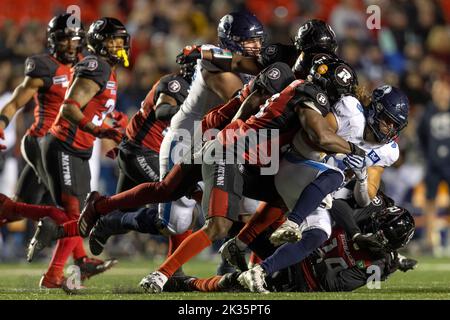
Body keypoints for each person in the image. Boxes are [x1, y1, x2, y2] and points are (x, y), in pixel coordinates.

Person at [236, 84, 410, 293]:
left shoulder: (388, 152)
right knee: (336, 175)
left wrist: (362, 177)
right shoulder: (351, 112)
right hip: (297, 164)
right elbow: (312, 138)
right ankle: (291, 223)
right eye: (388, 121)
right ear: (375, 110)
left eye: (395, 125)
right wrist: (341, 154)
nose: (390, 130)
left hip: (315, 189)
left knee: (318, 234)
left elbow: (365, 199)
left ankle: (259, 272)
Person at [3, 17, 130, 288]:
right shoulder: (48, 66)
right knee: (68, 212)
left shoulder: (93, 65)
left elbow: (93, 105)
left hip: (72, 144)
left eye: (74, 39)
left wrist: (111, 119)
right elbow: (18, 101)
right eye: (65, 39)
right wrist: (1, 124)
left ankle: (72, 255)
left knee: (25, 209)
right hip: (43, 141)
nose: (71, 45)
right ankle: (63, 262)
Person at [163, 202, 416, 293]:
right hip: (297, 247)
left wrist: (312, 253)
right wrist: (356, 233)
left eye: (378, 229)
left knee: (233, 284)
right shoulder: (363, 223)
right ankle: (174, 270)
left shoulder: (376, 267)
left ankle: (186, 284)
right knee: (236, 225)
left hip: (298, 277)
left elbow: (332, 285)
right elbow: (339, 205)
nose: (373, 224)